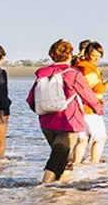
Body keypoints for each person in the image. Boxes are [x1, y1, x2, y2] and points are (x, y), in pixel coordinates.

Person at [29, 38, 103, 184]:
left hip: (45, 122)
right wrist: (98, 109)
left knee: (64, 157)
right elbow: (88, 95)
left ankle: (62, 189)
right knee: (58, 157)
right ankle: (45, 187)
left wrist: (43, 111)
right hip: (67, 122)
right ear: (69, 55)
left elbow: (31, 99)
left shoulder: (42, 74)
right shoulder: (72, 74)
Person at [74, 40, 108, 165]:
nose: (97, 58)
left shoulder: (78, 66)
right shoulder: (88, 68)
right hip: (89, 108)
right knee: (100, 137)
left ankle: (77, 165)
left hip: (78, 108)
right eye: (94, 55)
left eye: (99, 56)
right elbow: (98, 90)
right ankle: (94, 164)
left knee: (83, 138)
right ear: (87, 54)